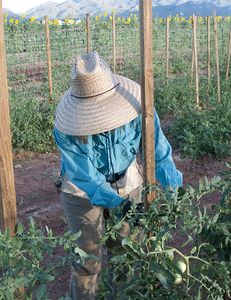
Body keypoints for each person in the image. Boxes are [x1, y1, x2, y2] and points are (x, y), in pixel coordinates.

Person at [53, 51, 183, 299]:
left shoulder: (137, 109)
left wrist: (173, 193)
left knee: (125, 253)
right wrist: (121, 206)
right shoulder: (67, 131)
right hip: (81, 190)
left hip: (127, 180)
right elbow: (88, 180)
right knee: (86, 259)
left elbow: (159, 153)